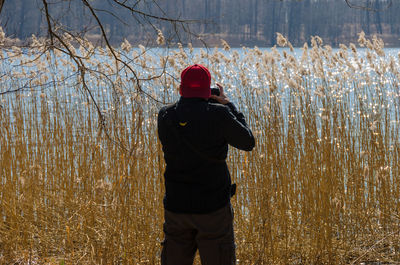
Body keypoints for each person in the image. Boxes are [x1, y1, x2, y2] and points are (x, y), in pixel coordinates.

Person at [157, 64, 255, 264]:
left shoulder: (165, 115)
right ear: (207, 90)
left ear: (180, 89)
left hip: (177, 207)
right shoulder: (219, 114)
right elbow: (248, 142)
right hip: (213, 209)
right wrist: (228, 105)